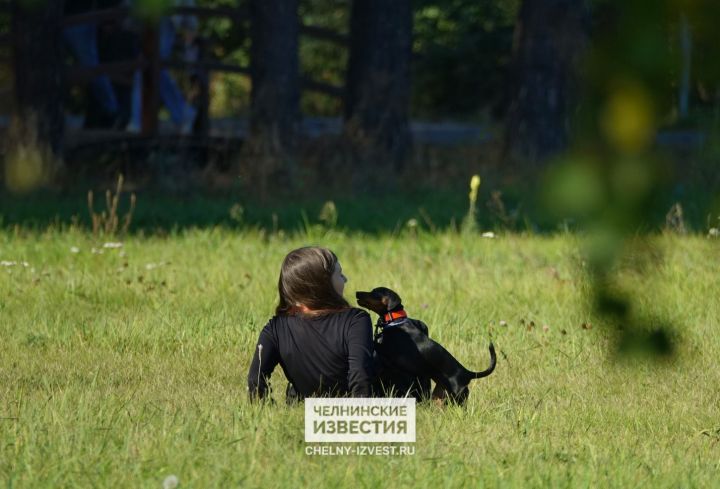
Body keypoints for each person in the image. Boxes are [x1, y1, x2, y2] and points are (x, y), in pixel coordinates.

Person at [247, 247, 376, 404]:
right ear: (323, 283)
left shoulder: (275, 328)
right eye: (340, 274)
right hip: (347, 412)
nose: (345, 279)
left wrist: (264, 411)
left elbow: (255, 379)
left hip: (302, 409)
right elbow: (361, 375)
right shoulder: (356, 320)